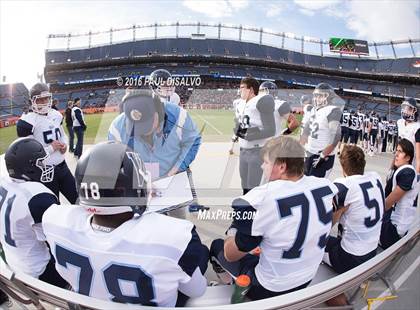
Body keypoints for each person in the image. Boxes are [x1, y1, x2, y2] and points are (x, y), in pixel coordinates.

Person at [42, 141, 209, 307]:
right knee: (201, 253)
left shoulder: (54, 219)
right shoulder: (176, 237)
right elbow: (197, 291)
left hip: (89, 302)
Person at [210, 136, 338, 300]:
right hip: (307, 277)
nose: (263, 166)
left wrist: (233, 233)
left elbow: (231, 255)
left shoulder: (258, 199)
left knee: (217, 246)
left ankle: (230, 283)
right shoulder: (326, 186)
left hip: (270, 288)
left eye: (266, 162)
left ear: (282, 166)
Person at [0, 137, 67, 288]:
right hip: (38, 272)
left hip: (13, 265)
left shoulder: (4, 183)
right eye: (41, 162)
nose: (45, 165)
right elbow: (61, 239)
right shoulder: (36, 195)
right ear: (28, 167)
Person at [325, 145, 384, 274]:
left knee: (315, 243)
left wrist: (339, 211)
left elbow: (327, 225)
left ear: (342, 167)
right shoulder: (376, 177)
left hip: (351, 258)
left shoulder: (343, 186)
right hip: (371, 250)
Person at [16, 82, 77, 203]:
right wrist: (51, 148)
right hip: (44, 173)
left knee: (78, 199)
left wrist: (64, 144)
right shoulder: (27, 121)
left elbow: (62, 135)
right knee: (53, 210)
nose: (44, 102)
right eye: (40, 99)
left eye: (47, 98)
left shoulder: (56, 114)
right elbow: (27, 155)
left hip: (62, 167)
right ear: (32, 101)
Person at [234, 77, 275, 194]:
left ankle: (251, 211)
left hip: (257, 151)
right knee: (244, 184)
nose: (239, 90)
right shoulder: (240, 103)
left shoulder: (261, 101)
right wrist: (238, 131)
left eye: (242, 88)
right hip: (243, 150)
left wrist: (249, 135)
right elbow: (239, 125)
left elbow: (270, 130)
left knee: (253, 187)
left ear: (251, 89)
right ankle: (245, 210)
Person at [380, 139, 419, 249]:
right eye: (396, 151)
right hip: (397, 227)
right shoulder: (403, 170)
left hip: (394, 230)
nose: (396, 154)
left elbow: (387, 204)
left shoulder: (407, 172)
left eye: (400, 151)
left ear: (408, 157)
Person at [300, 83, 343, 178]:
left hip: (322, 156)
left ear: (328, 97)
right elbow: (306, 131)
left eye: (320, 96)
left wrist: (323, 155)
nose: (316, 99)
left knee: (316, 188)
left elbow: (336, 136)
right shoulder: (314, 110)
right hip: (309, 153)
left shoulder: (333, 110)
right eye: (316, 96)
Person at [397, 98, 420, 173]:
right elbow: (398, 148)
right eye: (405, 108)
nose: (406, 111)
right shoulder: (400, 123)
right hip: (399, 163)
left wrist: (417, 173)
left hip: (411, 166)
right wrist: (392, 167)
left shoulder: (417, 127)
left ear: (415, 111)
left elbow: (418, 157)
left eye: (409, 109)